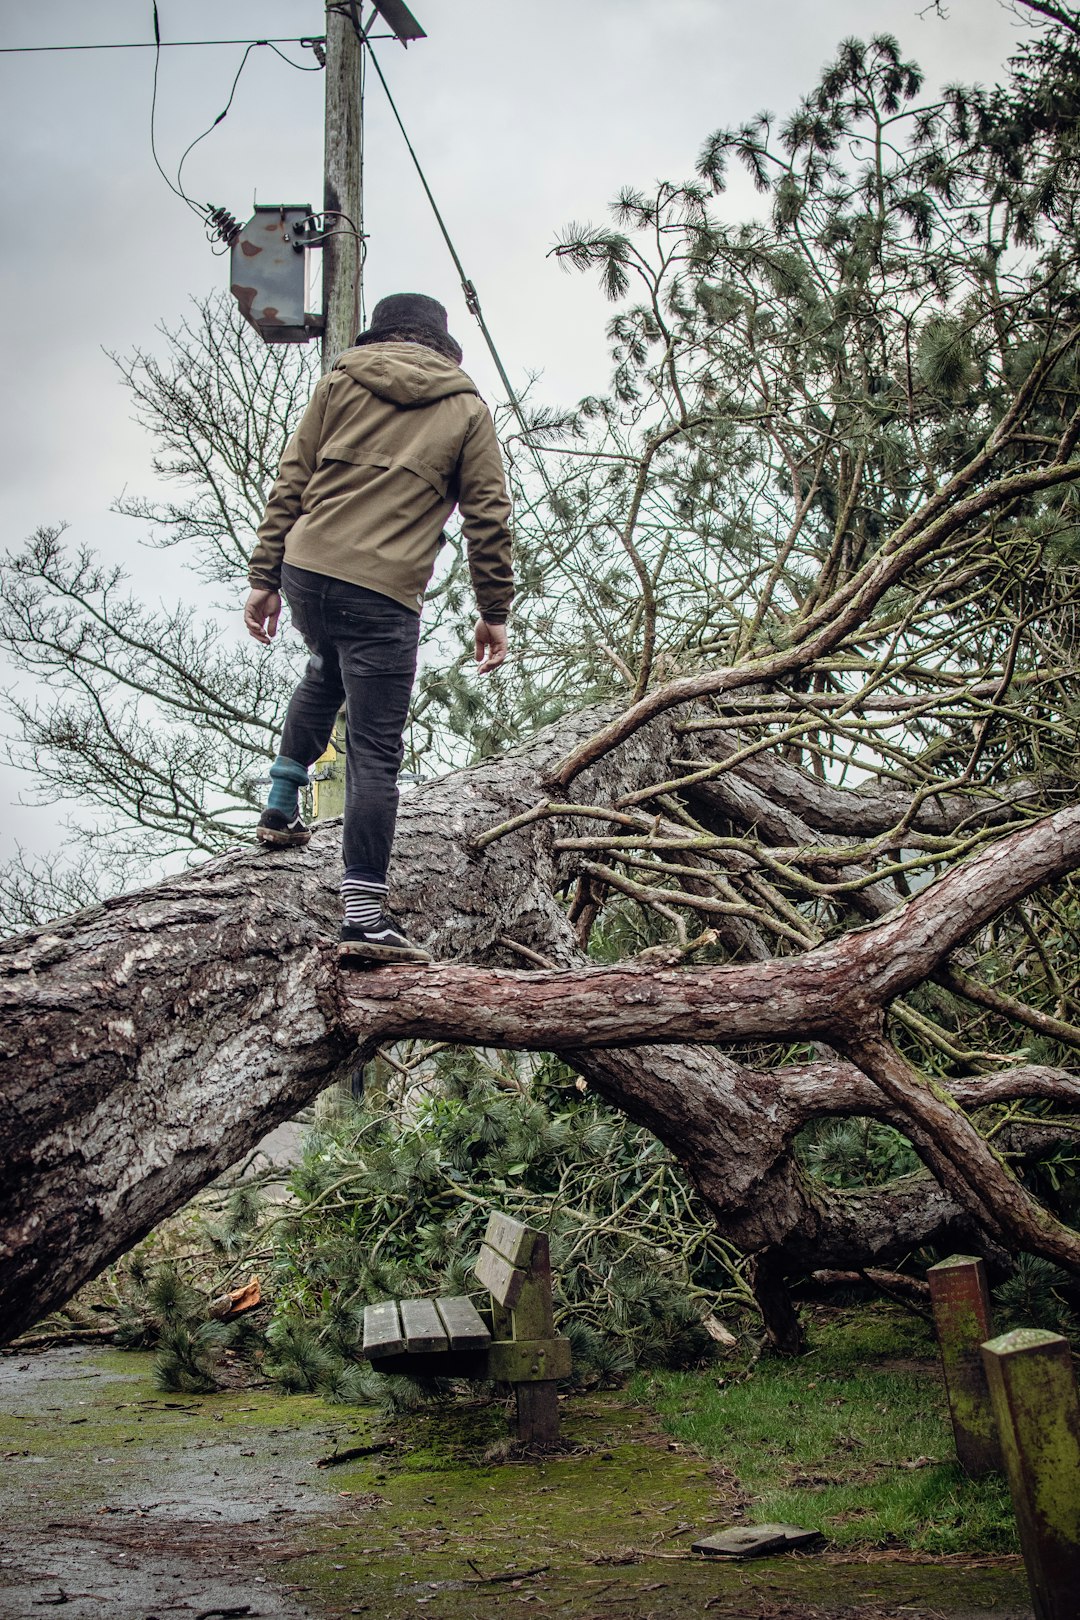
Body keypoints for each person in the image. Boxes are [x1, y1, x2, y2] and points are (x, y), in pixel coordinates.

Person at [243, 293, 514, 964]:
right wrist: (494, 612)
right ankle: (363, 917)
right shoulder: (466, 409)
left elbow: (291, 481)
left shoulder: (340, 381)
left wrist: (265, 575)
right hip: (383, 592)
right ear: (444, 351)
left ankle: (280, 801)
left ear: (381, 336)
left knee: (325, 669)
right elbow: (487, 517)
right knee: (374, 753)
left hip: (309, 572)